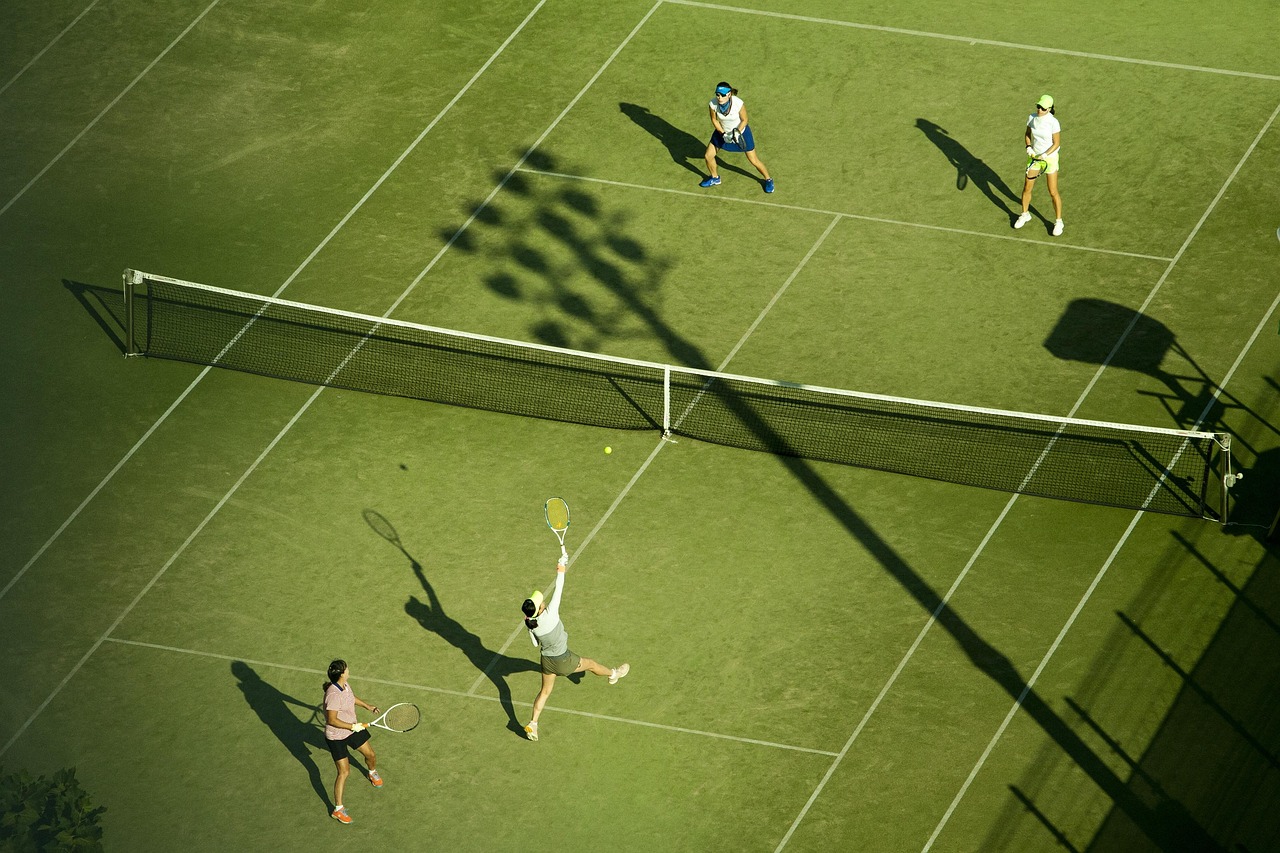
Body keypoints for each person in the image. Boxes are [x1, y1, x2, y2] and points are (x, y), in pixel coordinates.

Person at [521, 550, 629, 741]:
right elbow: (559, 586)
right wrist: (561, 565)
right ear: (540, 608)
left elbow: (535, 643)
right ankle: (614, 674)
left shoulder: (530, 623)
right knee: (591, 664)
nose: (543, 600)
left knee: (545, 692)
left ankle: (533, 724)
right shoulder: (551, 613)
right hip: (563, 660)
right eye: (540, 601)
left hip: (546, 661)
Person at [322, 660, 381, 824]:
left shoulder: (345, 685)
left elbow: (350, 698)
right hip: (336, 736)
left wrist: (367, 706)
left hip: (351, 728)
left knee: (370, 754)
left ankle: (372, 772)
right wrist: (352, 726)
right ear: (342, 674)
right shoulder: (333, 695)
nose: (348, 670)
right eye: (346, 668)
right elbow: (331, 720)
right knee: (344, 772)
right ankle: (338, 809)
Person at [700, 81, 774, 193]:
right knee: (708, 156)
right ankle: (715, 178)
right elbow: (714, 120)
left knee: (753, 160)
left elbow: (745, 120)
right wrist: (723, 134)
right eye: (717, 95)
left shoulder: (738, 103)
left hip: (741, 134)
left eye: (722, 95)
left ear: (729, 94)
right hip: (722, 133)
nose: (719, 98)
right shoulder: (713, 104)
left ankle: (768, 179)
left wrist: (736, 133)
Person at [1013, 94, 1064, 236]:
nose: (1039, 109)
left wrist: (1045, 154)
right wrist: (1028, 147)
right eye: (1038, 106)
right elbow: (1027, 134)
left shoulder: (1054, 122)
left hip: (1049, 159)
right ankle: (1025, 214)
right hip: (1034, 158)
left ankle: (1059, 222)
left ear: (1049, 109)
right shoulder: (1032, 117)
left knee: (1052, 191)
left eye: (1042, 108)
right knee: (1027, 188)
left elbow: (1056, 143)